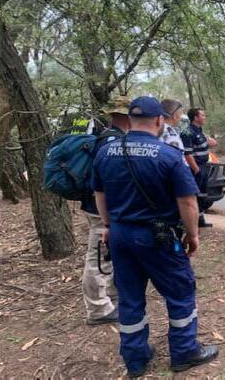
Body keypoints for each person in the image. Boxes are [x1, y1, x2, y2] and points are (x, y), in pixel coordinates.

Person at [92, 96, 218, 377]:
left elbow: (99, 194)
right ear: (160, 121)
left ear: (131, 119)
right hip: (156, 236)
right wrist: (193, 234)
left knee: (130, 296)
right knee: (180, 290)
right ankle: (185, 352)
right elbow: (188, 202)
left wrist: (108, 226)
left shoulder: (105, 152)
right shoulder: (168, 155)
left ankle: (135, 359)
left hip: (120, 234)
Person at [80, 95, 130, 325]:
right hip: (101, 209)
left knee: (107, 254)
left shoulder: (109, 137)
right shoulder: (111, 141)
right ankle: (98, 309)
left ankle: (111, 295)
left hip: (102, 207)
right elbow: (107, 182)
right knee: (97, 257)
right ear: (127, 116)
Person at [182, 108, 217, 228]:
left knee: (202, 194)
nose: (204, 117)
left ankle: (200, 219)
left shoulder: (200, 131)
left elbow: (212, 143)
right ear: (195, 117)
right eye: (202, 115)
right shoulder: (187, 132)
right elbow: (187, 154)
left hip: (204, 166)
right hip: (196, 168)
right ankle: (191, 222)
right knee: (194, 194)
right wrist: (196, 168)